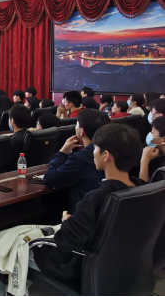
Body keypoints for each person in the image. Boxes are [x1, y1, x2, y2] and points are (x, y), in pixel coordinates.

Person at [32, 124, 144, 287]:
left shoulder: (97, 197)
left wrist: (67, 222)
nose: (92, 152)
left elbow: (65, 241)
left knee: (12, 248)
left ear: (105, 155)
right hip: (123, 269)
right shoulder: (141, 188)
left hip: (79, 266)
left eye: (95, 148)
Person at [44, 109, 110, 211]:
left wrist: (62, 153)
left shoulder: (81, 158)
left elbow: (50, 179)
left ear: (82, 131)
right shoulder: (112, 150)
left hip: (82, 214)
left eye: (77, 124)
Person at [139, 116, 165, 182]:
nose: (150, 134)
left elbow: (146, 187)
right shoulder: (159, 155)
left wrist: (145, 160)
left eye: (152, 132)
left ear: (163, 140)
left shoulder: (161, 171)